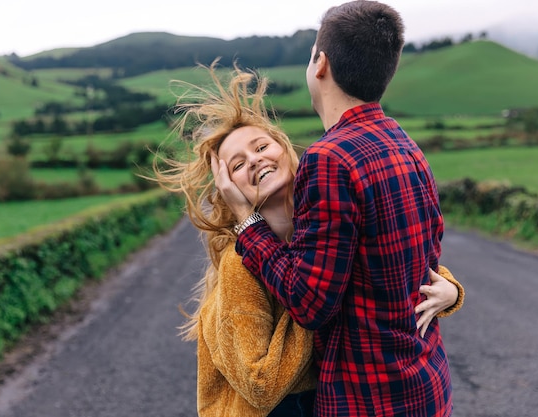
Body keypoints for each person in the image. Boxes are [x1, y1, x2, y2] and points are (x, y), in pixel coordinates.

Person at [154, 58, 464, 417]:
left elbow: (388, 261)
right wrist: (321, 299)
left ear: (284, 149)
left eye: (260, 147)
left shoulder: (323, 222)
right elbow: (260, 383)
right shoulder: (240, 266)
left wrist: (452, 290)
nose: (253, 161)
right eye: (237, 165)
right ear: (228, 188)